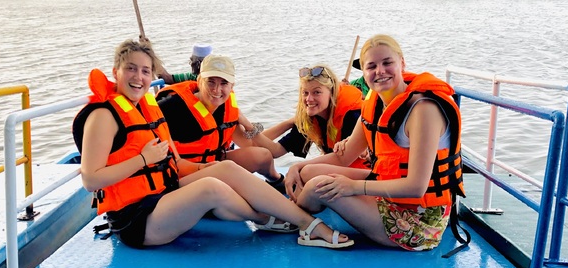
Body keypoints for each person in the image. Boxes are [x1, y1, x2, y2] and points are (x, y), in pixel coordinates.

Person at [71, 39, 353, 249]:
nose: (139, 77)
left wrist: (211, 165)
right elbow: (91, 180)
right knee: (212, 187)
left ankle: (305, 224)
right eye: (131, 69)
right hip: (136, 219)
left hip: (164, 192)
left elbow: (175, 164)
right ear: (116, 71)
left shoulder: (147, 109)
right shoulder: (104, 116)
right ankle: (270, 218)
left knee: (225, 170)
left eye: (146, 71)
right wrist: (143, 160)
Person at [289, 34, 467, 252]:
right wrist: (296, 167)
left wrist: (353, 187)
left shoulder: (423, 110)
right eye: (371, 66)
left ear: (402, 62)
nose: (380, 71)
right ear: (364, 73)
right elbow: (344, 157)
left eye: (387, 63)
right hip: (386, 189)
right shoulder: (374, 102)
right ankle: (297, 212)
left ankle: (293, 217)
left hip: (419, 221)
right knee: (309, 171)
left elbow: (416, 186)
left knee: (318, 185)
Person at [155, 54, 286, 191]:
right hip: (182, 173)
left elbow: (249, 144)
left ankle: (277, 182)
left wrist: (247, 124)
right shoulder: (171, 107)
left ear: (231, 86)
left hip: (215, 162)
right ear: (199, 80)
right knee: (255, 208)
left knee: (263, 155)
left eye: (224, 83)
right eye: (210, 82)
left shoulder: (226, 105)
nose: (217, 90)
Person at [245, 64, 370, 198]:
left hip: (363, 176)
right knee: (302, 176)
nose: (309, 99)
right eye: (305, 93)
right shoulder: (312, 118)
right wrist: (287, 123)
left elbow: (343, 159)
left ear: (331, 93)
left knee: (305, 173)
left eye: (317, 92)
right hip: (340, 171)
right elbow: (276, 150)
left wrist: (297, 167)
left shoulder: (352, 115)